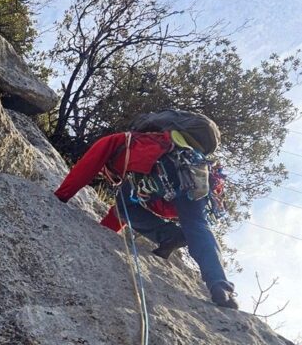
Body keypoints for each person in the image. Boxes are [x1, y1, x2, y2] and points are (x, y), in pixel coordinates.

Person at [54, 128, 238, 309]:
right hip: (195, 172)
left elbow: (87, 166)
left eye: (106, 173)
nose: (110, 178)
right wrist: (101, 234)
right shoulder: (151, 150)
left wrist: (61, 196)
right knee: (197, 224)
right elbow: (120, 213)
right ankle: (220, 285)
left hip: (163, 167)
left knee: (126, 205)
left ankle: (169, 235)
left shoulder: (119, 141)